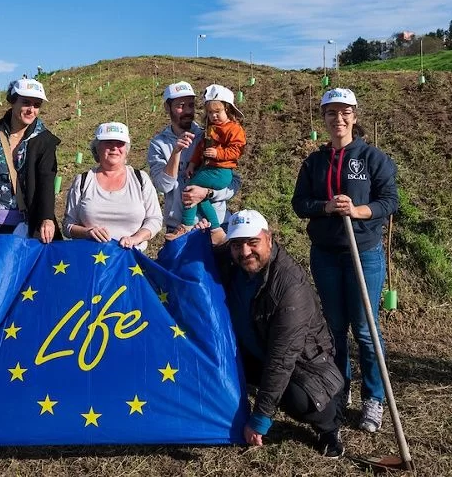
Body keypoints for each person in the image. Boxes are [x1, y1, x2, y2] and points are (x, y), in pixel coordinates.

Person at [291, 87, 398, 434]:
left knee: (365, 330)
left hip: (363, 253)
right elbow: (299, 203)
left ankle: (374, 397)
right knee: (334, 329)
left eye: (345, 112)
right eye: (331, 113)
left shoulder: (372, 158)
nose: (338, 119)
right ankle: (340, 388)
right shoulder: (314, 162)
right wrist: (324, 207)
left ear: (354, 115)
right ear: (323, 118)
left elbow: (390, 201)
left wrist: (358, 210)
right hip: (326, 255)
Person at [216, 209, 346, 458]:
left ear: (269, 238)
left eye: (253, 243)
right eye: (237, 245)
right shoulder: (233, 262)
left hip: (303, 364)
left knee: (299, 399)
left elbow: (282, 359)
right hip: (255, 349)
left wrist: (260, 419)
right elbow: (210, 245)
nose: (245, 253)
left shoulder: (290, 287)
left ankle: (329, 424)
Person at [0, 78, 60, 242]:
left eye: (37, 105)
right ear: (12, 101)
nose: (31, 109)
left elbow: (46, 181)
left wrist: (46, 218)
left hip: (30, 227)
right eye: (26, 102)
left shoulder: (45, 141)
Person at [147, 82, 241, 241]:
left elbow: (235, 183)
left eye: (191, 105)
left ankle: (214, 228)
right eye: (180, 106)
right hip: (178, 228)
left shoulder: (210, 136)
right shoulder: (158, 144)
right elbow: (163, 186)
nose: (188, 111)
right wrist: (176, 152)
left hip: (216, 225)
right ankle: (187, 224)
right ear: (167, 108)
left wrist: (208, 193)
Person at [64, 122, 163, 251]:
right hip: (90, 260)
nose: (114, 148)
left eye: (120, 143)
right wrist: (87, 232)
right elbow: (67, 226)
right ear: (97, 148)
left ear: (126, 149)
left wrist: (136, 238)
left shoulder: (140, 179)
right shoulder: (82, 181)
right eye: (108, 142)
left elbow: (155, 219)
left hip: (130, 260)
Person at [181, 84, 246, 230]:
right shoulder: (210, 129)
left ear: (227, 110)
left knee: (190, 189)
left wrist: (218, 153)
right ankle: (215, 228)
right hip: (209, 170)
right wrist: (192, 164)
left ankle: (186, 224)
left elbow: (237, 150)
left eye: (217, 112)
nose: (213, 116)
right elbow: (200, 149)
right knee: (201, 197)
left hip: (220, 172)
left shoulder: (234, 129)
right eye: (210, 113)